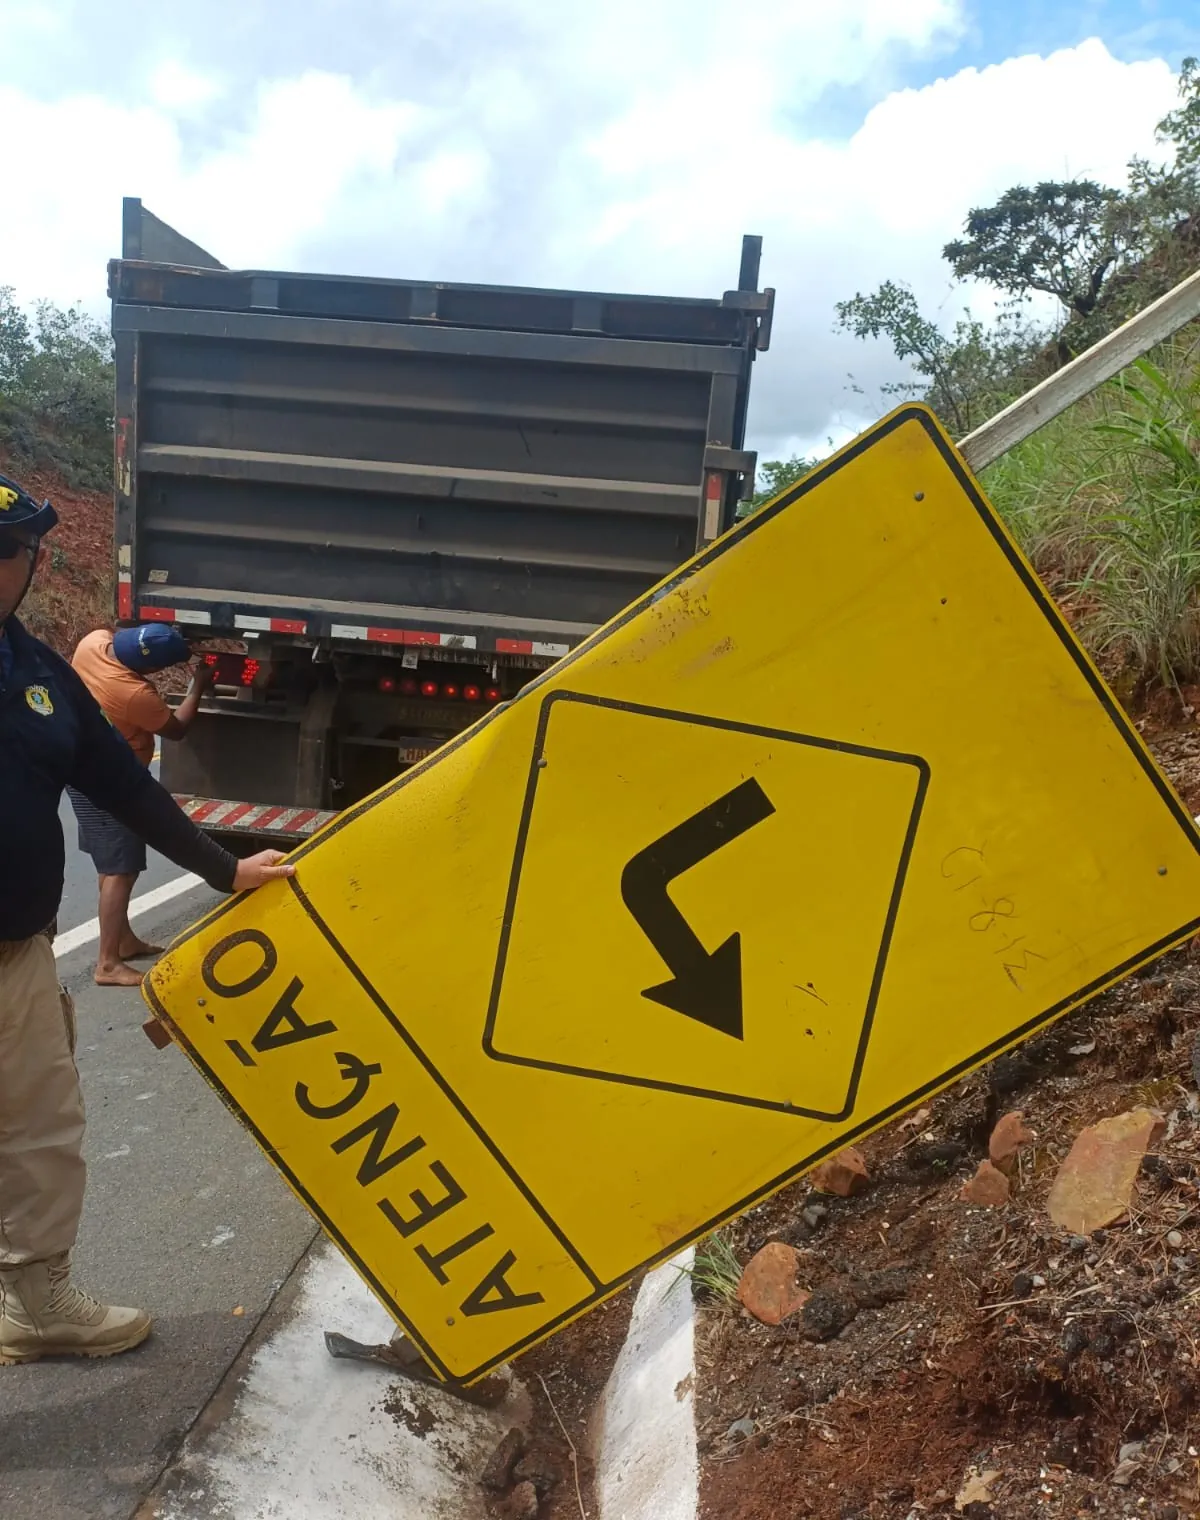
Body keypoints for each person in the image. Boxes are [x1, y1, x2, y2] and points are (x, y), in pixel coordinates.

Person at [0, 471, 294, 1365]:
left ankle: (38, 1299)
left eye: (9, 552)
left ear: (27, 566)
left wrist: (224, 868)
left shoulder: (38, 671)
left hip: (14, 954)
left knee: (39, 1128)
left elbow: (126, 784)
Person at [68, 621, 215, 986]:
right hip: (108, 782)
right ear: (150, 670)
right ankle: (107, 963)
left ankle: (124, 940)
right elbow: (177, 729)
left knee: (111, 862)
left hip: (80, 767)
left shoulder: (93, 643)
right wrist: (198, 685)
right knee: (121, 868)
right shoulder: (134, 695)